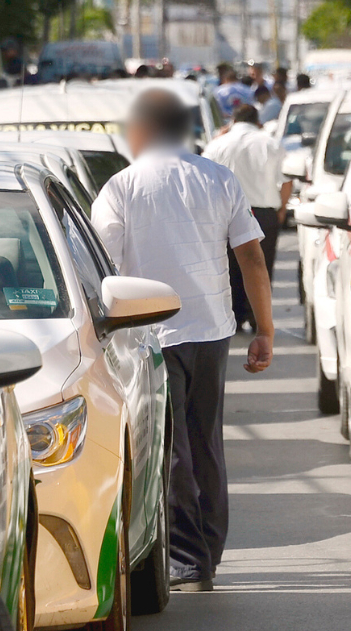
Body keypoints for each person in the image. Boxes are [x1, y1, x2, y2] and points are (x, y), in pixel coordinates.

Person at [92, 89, 275, 593]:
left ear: (141, 132)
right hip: (213, 331)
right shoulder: (217, 179)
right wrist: (264, 328)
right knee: (205, 444)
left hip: (151, 333)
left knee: (170, 448)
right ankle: (208, 550)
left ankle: (189, 561)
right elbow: (252, 259)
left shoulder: (120, 188)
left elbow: (100, 270)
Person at [203, 104, 289, 331]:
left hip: (225, 214)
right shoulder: (270, 143)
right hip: (263, 213)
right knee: (261, 265)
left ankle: (235, 316)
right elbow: (287, 179)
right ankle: (257, 317)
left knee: (229, 267)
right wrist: (281, 210)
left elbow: (203, 177)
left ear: (233, 120)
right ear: (257, 120)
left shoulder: (218, 144)